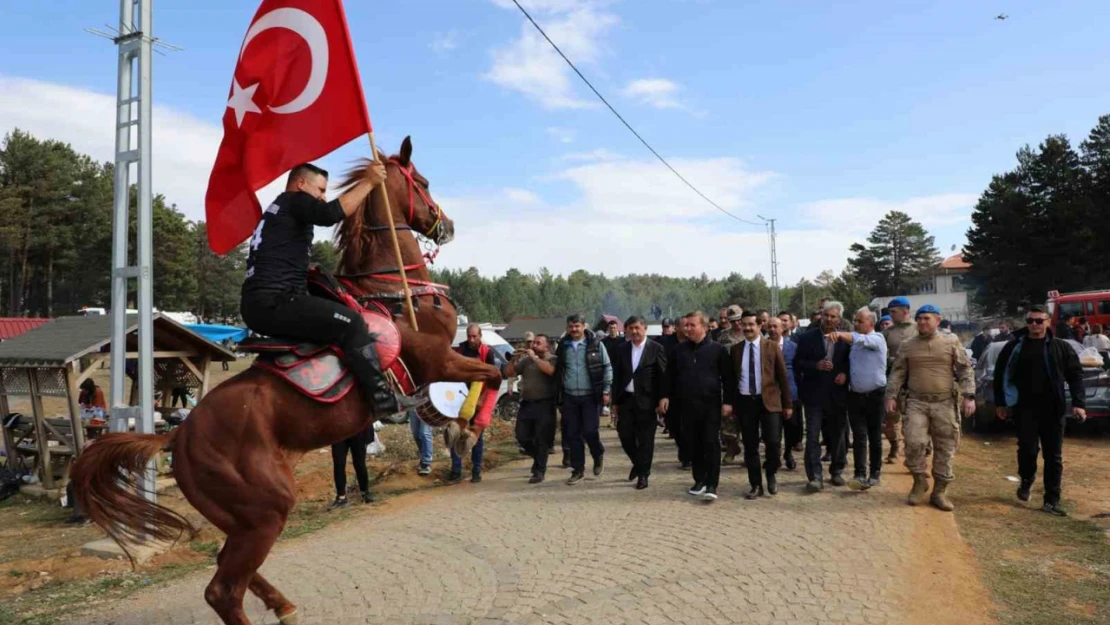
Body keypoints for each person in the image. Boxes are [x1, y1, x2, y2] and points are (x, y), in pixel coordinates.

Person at [239, 161, 409, 416]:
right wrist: (369, 182)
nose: (322, 196)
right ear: (300, 184)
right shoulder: (294, 200)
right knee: (351, 322)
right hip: (277, 301)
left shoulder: (278, 211)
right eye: (319, 190)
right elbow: (330, 214)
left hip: (260, 303)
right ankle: (383, 401)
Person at [993, 306, 1086, 516]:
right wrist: (1001, 403)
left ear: (1047, 322)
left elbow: (1075, 375)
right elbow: (1000, 375)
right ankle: (1026, 479)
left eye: (1039, 320)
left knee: (1054, 456)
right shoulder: (1014, 347)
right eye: (1030, 321)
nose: (1034, 325)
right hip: (1024, 408)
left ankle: (1051, 500)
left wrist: (1079, 403)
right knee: (1027, 449)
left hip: (1053, 408)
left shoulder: (1060, 347)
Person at [885, 305, 975, 512]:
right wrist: (891, 395)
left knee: (945, 447)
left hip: (944, 403)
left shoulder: (951, 341)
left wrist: (969, 396)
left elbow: (964, 369)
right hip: (916, 403)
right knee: (914, 442)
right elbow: (898, 372)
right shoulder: (908, 345)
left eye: (927, 318)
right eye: (919, 319)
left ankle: (940, 491)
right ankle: (919, 481)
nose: (922, 322)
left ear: (937, 319)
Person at [660, 311, 735, 502]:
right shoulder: (679, 350)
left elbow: (728, 379)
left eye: (692, 325)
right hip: (685, 405)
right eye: (686, 325)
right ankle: (699, 480)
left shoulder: (717, 350)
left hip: (710, 405)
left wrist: (728, 402)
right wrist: (665, 396)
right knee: (692, 443)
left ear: (704, 326)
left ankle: (712, 484)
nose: (687, 329)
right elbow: (669, 376)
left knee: (710, 442)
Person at [730, 310, 792, 499]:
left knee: (773, 443)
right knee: (750, 446)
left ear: (759, 326)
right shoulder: (735, 349)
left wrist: (787, 404)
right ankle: (755, 484)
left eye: (751, 324)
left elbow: (783, 377)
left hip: (770, 403)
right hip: (745, 403)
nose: (747, 328)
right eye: (744, 324)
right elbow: (732, 380)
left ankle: (771, 472)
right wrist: (731, 404)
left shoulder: (772, 347)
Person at [794, 300, 851, 491]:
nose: (828, 319)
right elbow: (798, 363)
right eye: (826, 315)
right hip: (814, 395)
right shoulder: (806, 338)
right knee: (812, 436)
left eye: (833, 316)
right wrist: (815, 365)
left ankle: (836, 471)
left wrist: (846, 374)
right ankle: (815, 476)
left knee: (838, 434)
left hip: (837, 394)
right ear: (821, 315)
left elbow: (853, 363)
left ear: (839, 319)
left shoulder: (847, 339)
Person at [829, 307, 887, 490]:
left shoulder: (877, 339)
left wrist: (839, 334)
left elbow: (860, 339)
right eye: (855, 320)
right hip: (855, 395)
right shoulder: (853, 341)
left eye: (860, 321)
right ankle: (860, 474)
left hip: (875, 395)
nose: (856, 324)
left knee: (874, 436)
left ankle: (875, 472)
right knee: (859, 436)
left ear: (871, 323)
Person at [554, 314, 613, 485]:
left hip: (590, 395)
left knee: (590, 431)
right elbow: (559, 370)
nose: (574, 329)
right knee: (572, 434)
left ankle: (598, 454)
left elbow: (607, 366)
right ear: (567, 327)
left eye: (577, 326)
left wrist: (606, 389)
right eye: (571, 326)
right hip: (570, 396)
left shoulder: (595, 344)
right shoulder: (563, 346)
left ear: (584, 326)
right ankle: (578, 470)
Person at [612, 316, 667, 490]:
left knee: (645, 440)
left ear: (645, 328)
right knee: (625, 436)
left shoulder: (656, 349)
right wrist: (614, 402)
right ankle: (638, 463)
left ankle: (643, 474)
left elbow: (663, 376)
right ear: (626, 330)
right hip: (626, 400)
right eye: (631, 328)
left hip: (647, 401)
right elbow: (617, 377)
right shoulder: (621, 349)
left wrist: (663, 398)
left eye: (637, 328)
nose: (634, 332)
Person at [503, 334, 557, 484]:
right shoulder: (526, 361)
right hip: (527, 403)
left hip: (545, 404)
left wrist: (534, 358)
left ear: (546, 346)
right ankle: (538, 457)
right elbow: (509, 373)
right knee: (522, 436)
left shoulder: (552, 359)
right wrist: (513, 359)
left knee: (541, 439)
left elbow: (550, 371)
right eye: (533, 343)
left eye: (538, 343)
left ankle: (539, 471)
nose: (533, 345)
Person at [450, 323, 499, 483]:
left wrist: (482, 399)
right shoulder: (459, 350)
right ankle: (456, 471)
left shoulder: (487, 353)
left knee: (476, 436)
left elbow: (492, 379)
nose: (471, 339)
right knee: (455, 434)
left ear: (480, 336)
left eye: (474, 336)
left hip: (478, 400)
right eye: (469, 336)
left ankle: (476, 471)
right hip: (459, 399)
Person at [882, 297, 914, 463]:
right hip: (893, 382)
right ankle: (895, 446)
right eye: (890, 312)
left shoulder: (918, 330)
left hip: (913, 383)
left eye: (894, 312)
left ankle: (915, 453)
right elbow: (880, 355)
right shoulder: (888, 332)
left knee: (914, 421)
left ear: (905, 311)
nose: (891, 315)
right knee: (890, 418)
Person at [769, 315, 802, 469]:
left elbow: (798, 371)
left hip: (791, 392)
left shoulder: (793, 348)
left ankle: (788, 452)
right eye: (769, 327)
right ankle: (773, 457)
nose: (772, 330)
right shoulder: (763, 346)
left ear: (783, 329)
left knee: (791, 427)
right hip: (770, 394)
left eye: (775, 326)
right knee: (773, 430)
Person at [716, 305, 746, 464]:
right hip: (729, 381)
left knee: (748, 420)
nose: (737, 324)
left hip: (748, 381)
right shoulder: (722, 337)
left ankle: (749, 453)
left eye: (739, 320)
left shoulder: (752, 334)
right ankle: (732, 446)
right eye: (733, 321)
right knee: (727, 419)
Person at [328, 424, 375, 509]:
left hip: (358, 431)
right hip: (339, 433)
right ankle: (341, 497)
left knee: (359, 463)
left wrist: (369, 435)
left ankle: (365, 492)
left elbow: (367, 413)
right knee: (339, 464)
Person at [408, 408, 434, 476]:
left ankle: (426, 463)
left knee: (425, 433)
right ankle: (423, 457)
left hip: (427, 405)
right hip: (414, 405)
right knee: (416, 433)